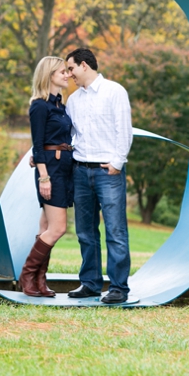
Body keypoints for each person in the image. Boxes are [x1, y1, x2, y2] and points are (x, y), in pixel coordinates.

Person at [64, 48, 133, 304]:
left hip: (108, 172)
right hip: (80, 171)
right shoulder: (73, 101)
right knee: (85, 232)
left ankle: (118, 288)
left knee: (115, 231)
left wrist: (117, 162)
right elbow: (71, 136)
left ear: (84, 65)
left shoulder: (115, 91)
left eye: (71, 68)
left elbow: (124, 129)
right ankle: (90, 284)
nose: (69, 74)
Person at [19, 56, 74, 297]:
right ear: (49, 75)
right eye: (62, 72)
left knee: (45, 227)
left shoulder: (60, 106)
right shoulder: (40, 106)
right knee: (58, 228)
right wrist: (44, 177)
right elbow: (38, 144)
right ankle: (27, 276)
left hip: (64, 169)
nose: (67, 75)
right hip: (50, 171)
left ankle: (40, 281)